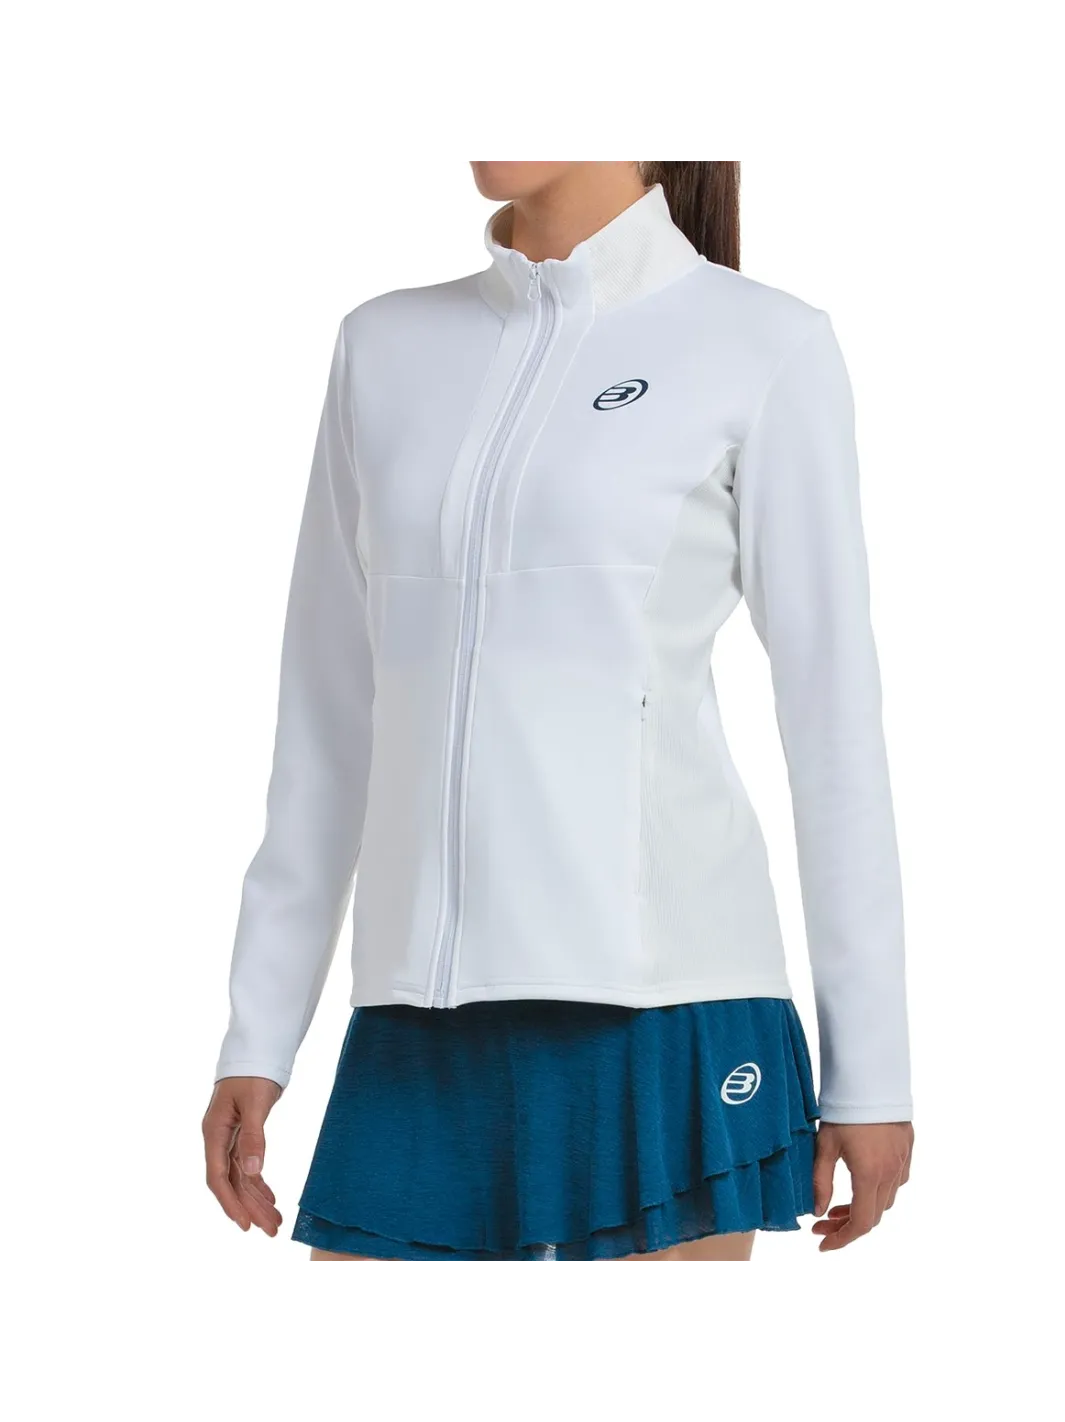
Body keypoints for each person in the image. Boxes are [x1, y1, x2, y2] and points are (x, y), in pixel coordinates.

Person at [202, 160, 914, 1264]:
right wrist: (259, 1031)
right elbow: (328, 721)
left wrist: (870, 1073)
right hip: (415, 1017)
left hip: (665, 1004)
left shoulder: (762, 343)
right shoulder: (383, 345)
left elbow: (834, 729)